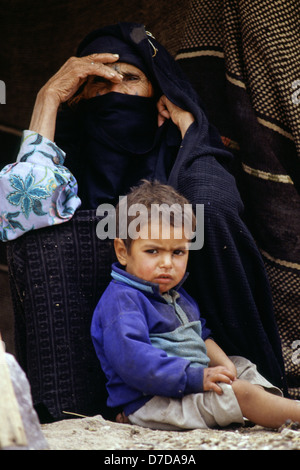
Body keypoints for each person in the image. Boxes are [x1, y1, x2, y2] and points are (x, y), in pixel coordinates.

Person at [0, 22, 287, 401]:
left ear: (158, 96)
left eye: (129, 79)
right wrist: (48, 97)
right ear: (79, 100)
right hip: (78, 381)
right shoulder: (66, 169)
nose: (113, 92)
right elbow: (25, 204)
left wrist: (190, 127)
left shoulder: (180, 163)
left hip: (199, 373)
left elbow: (213, 211)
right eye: (98, 84)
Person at [91, 180, 299, 431]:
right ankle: (283, 412)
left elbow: (200, 334)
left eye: (178, 252)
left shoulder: (174, 294)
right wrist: (196, 377)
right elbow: (135, 362)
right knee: (241, 394)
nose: (166, 263)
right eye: (153, 251)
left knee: (242, 366)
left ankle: (273, 410)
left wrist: (225, 366)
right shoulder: (123, 301)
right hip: (156, 402)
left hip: (188, 386)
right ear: (123, 252)